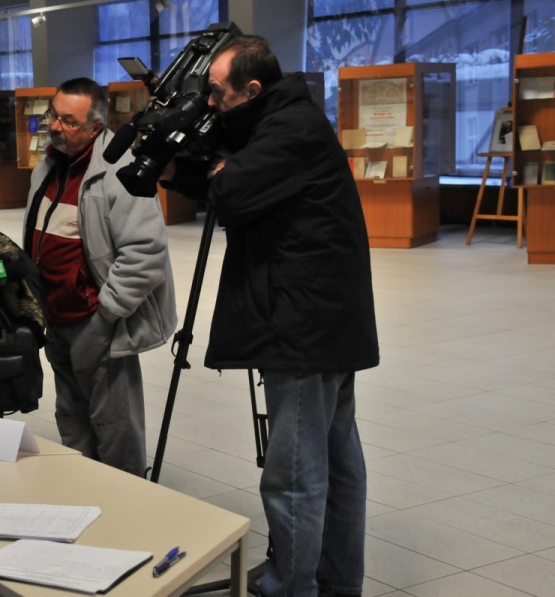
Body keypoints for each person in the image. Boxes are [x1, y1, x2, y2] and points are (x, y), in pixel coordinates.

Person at [164, 36, 379, 597]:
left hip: (304, 329)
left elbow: (232, 194)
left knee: (294, 474)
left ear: (252, 89)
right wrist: (202, 165)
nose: (211, 104)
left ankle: (291, 586)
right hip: (323, 323)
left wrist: (223, 170)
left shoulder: (291, 128)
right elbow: (228, 181)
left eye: (218, 93)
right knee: (337, 464)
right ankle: (333, 581)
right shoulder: (281, 119)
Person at [22, 77, 177, 478]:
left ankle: (126, 498)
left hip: (96, 322)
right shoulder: (49, 164)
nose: (56, 126)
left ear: (95, 127)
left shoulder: (120, 171)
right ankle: (84, 487)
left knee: (114, 424)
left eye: (69, 121)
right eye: (53, 115)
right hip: (57, 317)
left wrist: (106, 315)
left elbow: (145, 253)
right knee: (71, 413)